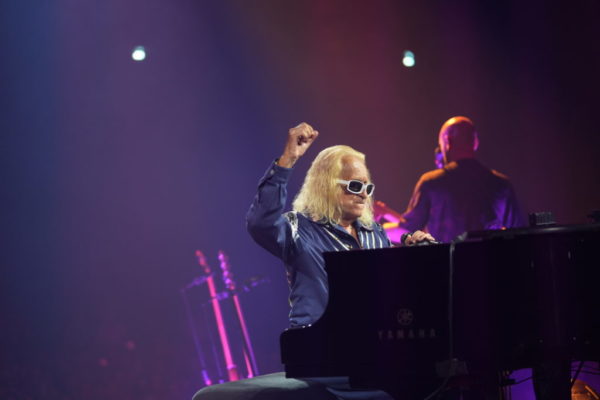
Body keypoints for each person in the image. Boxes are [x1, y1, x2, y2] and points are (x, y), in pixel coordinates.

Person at [192, 123, 433, 400]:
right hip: (322, 354)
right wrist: (288, 160)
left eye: (368, 187)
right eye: (355, 186)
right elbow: (260, 223)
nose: (364, 194)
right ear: (326, 186)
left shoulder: (375, 233)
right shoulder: (298, 229)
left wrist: (412, 255)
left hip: (375, 351)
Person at [394, 116, 525, 243]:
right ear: (475, 143)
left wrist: (381, 230)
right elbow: (519, 234)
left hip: (446, 258)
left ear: (448, 141)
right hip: (489, 258)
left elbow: (407, 230)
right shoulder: (501, 184)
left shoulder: (431, 182)